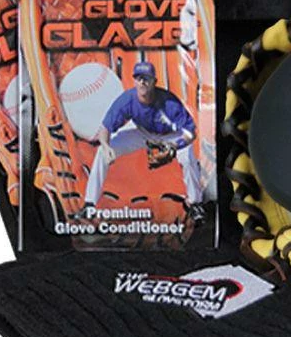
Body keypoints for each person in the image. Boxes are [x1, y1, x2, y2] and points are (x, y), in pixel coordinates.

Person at [82, 61, 205, 226]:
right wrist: (105, 145)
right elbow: (105, 128)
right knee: (102, 152)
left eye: (147, 78)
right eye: (139, 78)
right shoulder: (127, 100)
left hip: (170, 136)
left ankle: (195, 203)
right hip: (143, 133)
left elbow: (190, 131)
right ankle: (89, 203)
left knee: (188, 156)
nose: (142, 82)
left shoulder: (169, 102)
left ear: (154, 81)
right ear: (134, 81)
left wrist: (174, 146)